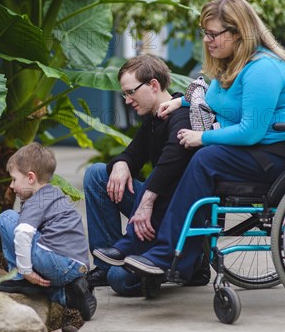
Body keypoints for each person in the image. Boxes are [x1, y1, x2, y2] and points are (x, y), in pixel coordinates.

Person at [120, 0, 285, 282]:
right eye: (205, 32)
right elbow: (216, 99)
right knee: (200, 157)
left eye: (214, 33)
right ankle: (179, 255)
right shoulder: (231, 64)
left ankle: (167, 254)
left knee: (205, 157)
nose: (207, 40)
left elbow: (251, 131)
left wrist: (202, 137)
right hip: (266, 149)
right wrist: (181, 103)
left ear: (239, 33)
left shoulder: (262, 69)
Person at [85, 54, 205, 296]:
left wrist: (146, 201)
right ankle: (108, 263)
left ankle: (191, 264)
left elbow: (173, 158)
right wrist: (121, 164)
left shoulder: (181, 114)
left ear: (153, 85)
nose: (127, 100)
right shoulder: (153, 118)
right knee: (98, 174)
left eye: (131, 92)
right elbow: (133, 153)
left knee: (120, 279)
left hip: (176, 216)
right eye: (125, 94)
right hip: (157, 210)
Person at [0, 143, 97, 320]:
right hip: (76, 266)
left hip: (58, 263)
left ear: (30, 178)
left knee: (7, 218)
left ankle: (19, 278)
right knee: (39, 284)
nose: (11, 186)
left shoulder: (37, 201)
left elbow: (22, 233)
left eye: (14, 179)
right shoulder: (54, 195)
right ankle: (70, 295)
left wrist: (26, 271)